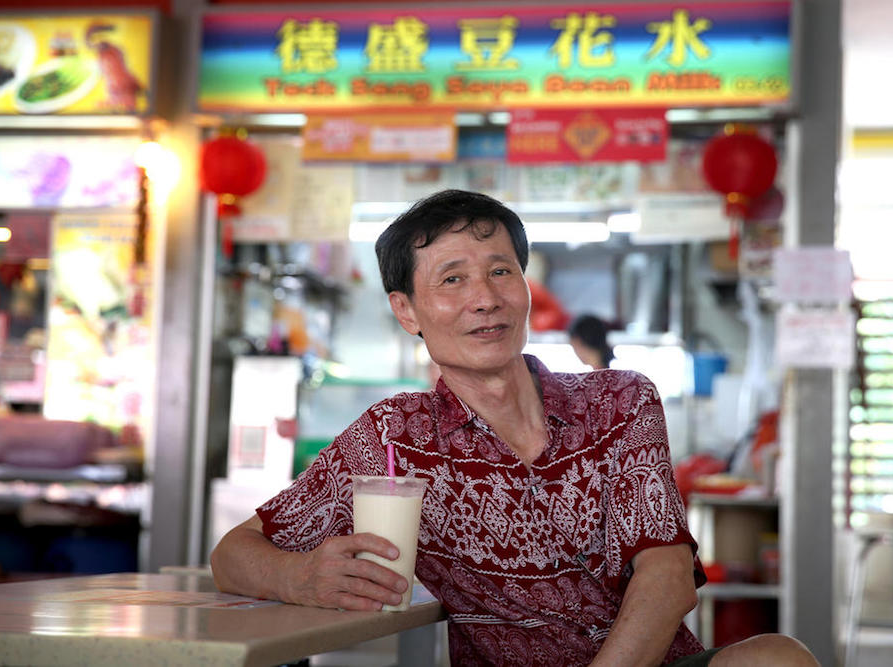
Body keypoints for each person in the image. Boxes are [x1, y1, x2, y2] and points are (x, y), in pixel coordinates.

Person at [210, 189, 818, 667]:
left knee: (778, 656)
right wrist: (299, 575)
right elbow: (233, 555)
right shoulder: (393, 437)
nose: (485, 299)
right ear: (406, 311)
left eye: (501, 271)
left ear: (526, 287)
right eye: (452, 279)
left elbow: (666, 573)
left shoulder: (621, 401)